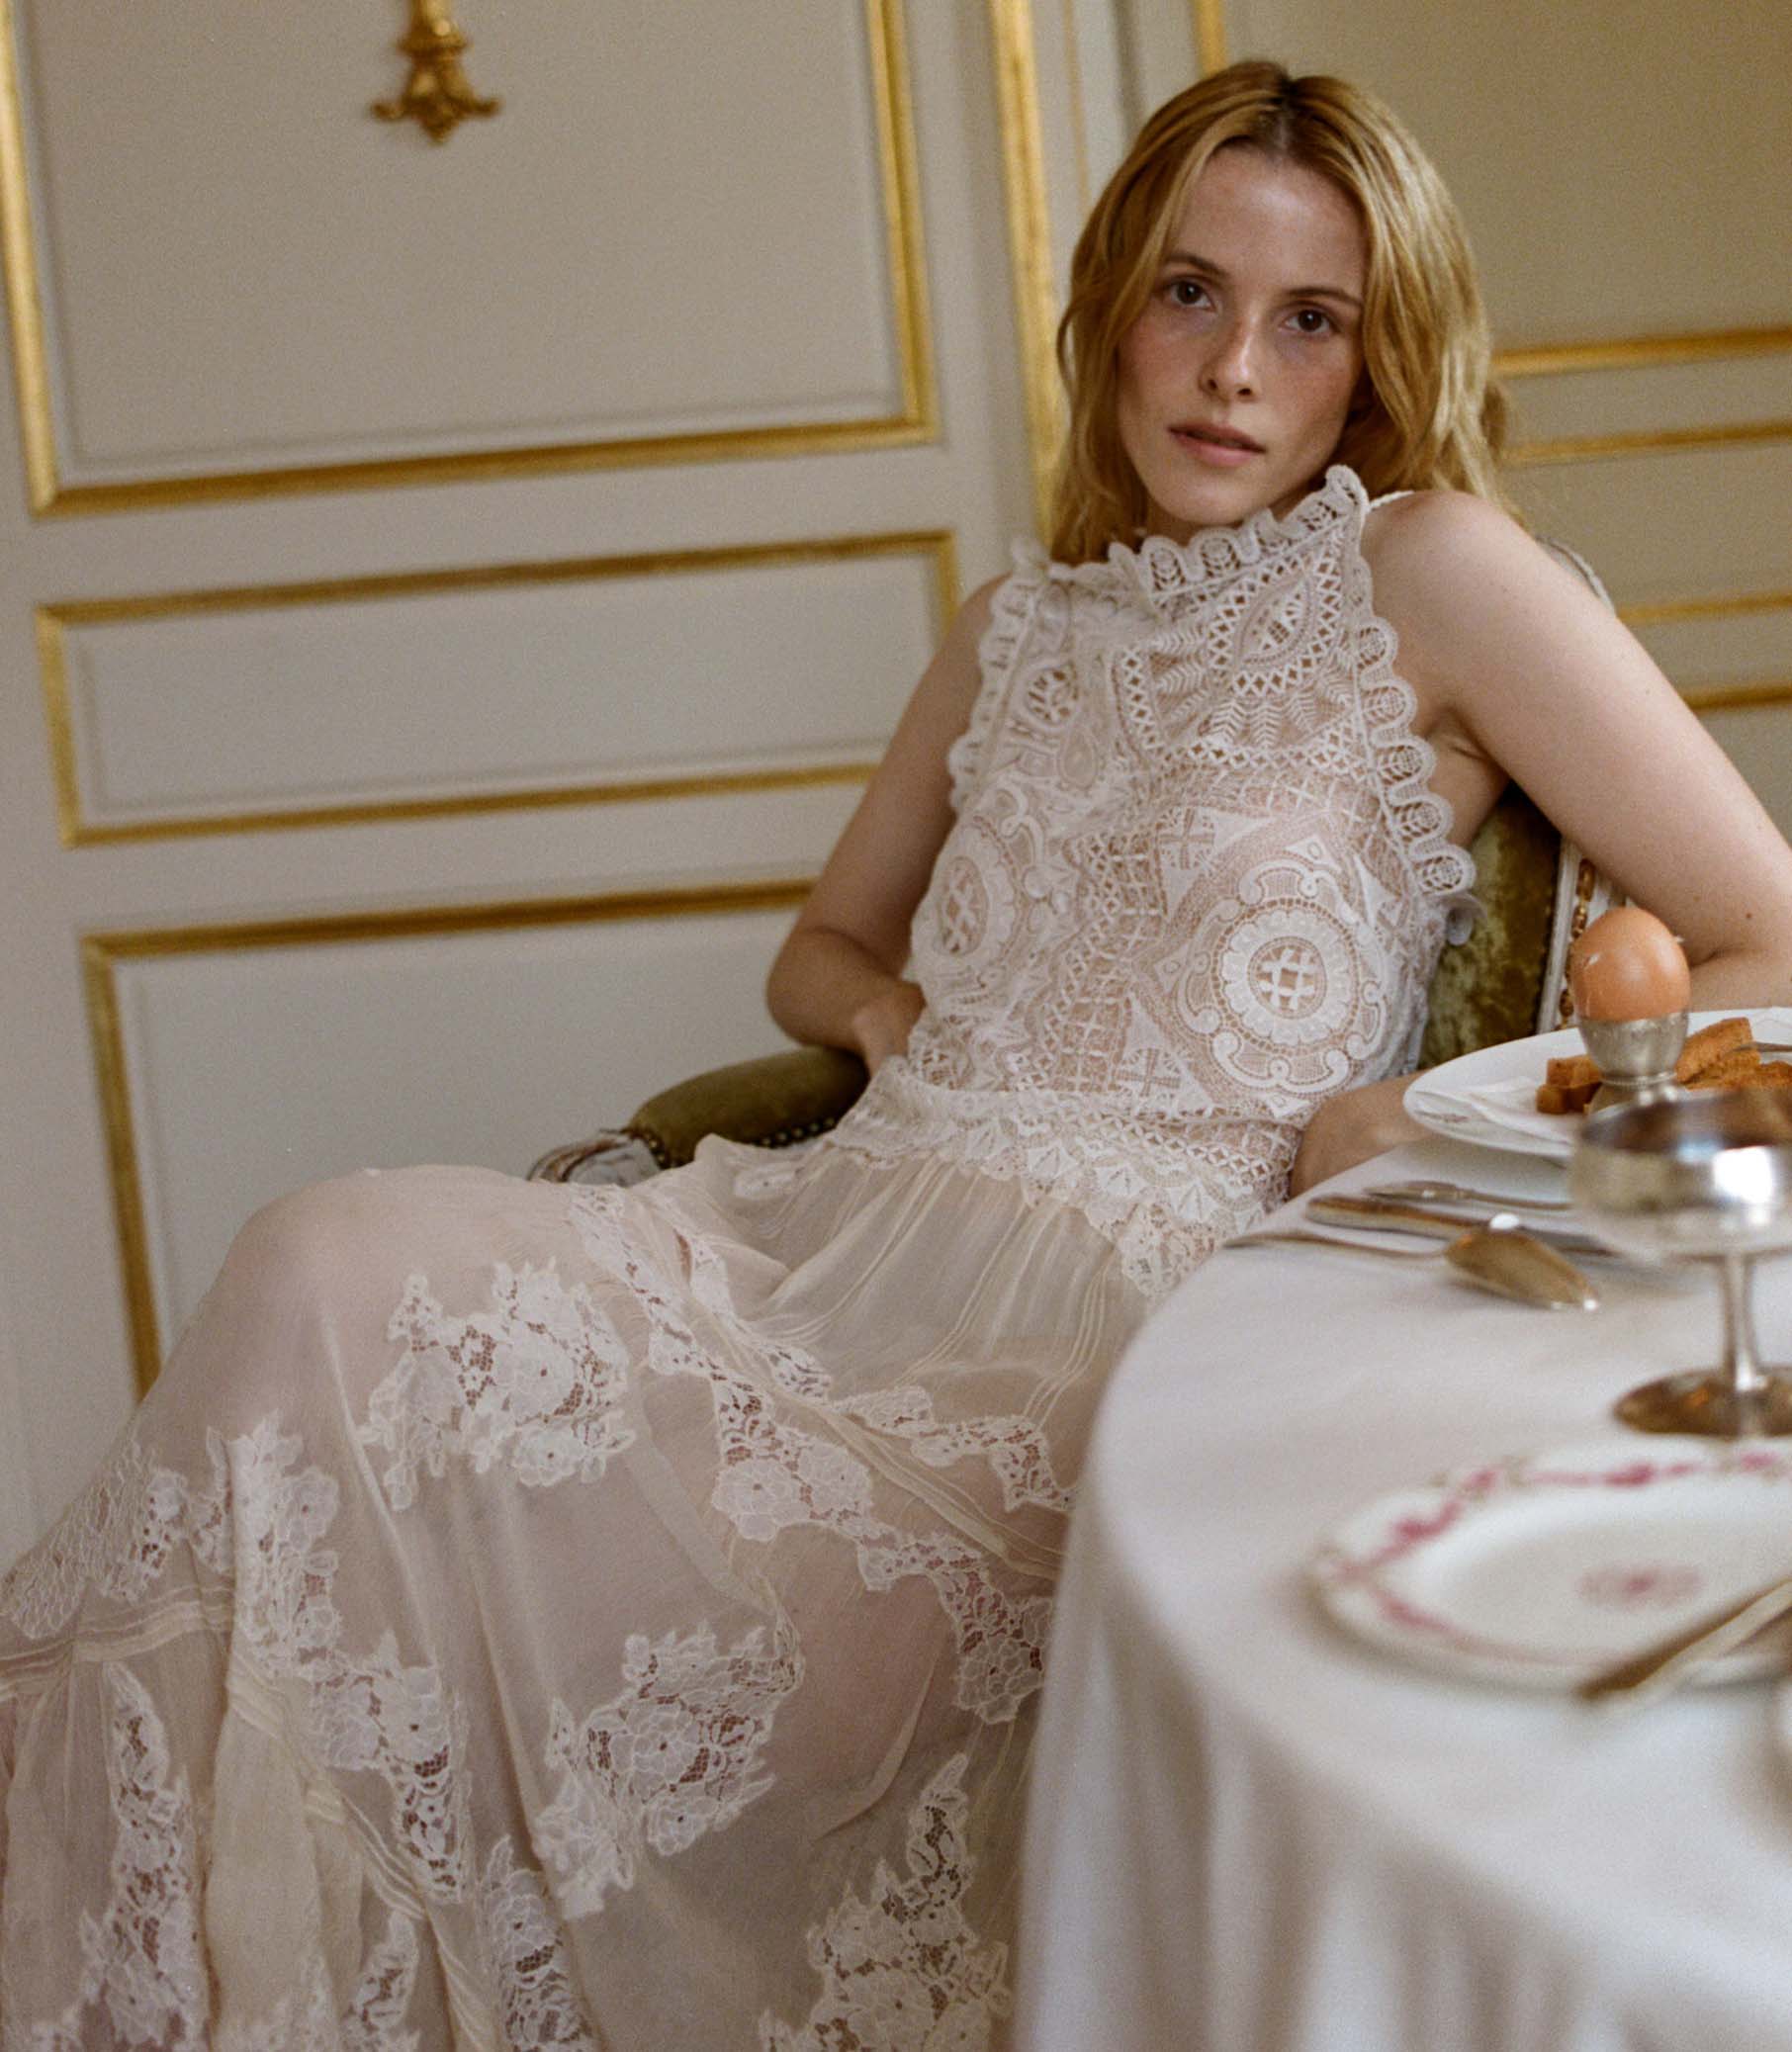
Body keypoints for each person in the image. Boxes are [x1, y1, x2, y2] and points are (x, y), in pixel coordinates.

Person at [4, 58, 1791, 2050]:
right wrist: (886, 1022)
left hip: (1111, 1319)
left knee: (584, 1608)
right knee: (318, 1266)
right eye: (1189, 293)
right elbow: (820, 950)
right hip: (833, 1237)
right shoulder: (1016, 623)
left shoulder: (1430, 571)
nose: (1232, 369)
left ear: (1374, 367)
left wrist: (1429, 1114)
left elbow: (1769, 927)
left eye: (1311, 320)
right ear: (1112, 303)